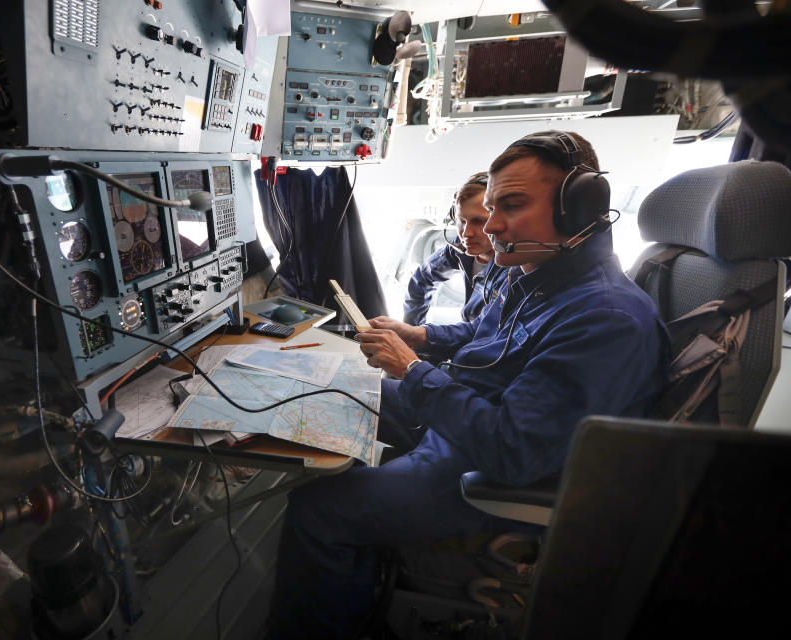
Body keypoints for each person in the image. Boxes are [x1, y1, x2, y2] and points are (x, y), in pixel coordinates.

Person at [266, 131, 670, 639]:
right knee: (340, 386)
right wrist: (422, 338)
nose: (493, 225)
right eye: (492, 207)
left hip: (491, 471)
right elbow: (489, 339)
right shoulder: (540, 273)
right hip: (464, 421)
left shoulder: (606, 319)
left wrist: (414, 370)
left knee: (318, 512)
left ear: (578, 209)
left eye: (512, 206)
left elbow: (513, 450)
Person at [402, 172, 506, 325]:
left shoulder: (511, 270)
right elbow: (423, 278)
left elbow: (481, 332)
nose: (466, 233)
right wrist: (411, 329)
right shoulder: (461, 248)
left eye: (479, 221)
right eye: (461, 221)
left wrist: (421, 335)